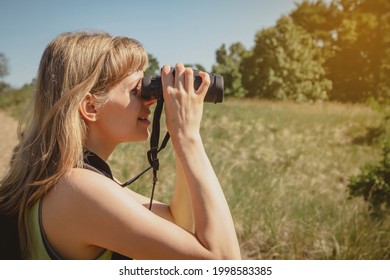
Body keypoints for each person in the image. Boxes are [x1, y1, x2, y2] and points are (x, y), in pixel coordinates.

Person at [0, 31, 241, 260]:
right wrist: (188, 137)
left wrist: (179, 141)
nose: (152, 99)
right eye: (137, 90)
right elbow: (224, 263)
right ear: (91, 107)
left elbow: (175, 221)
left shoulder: (67, 179)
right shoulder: (78, 190)